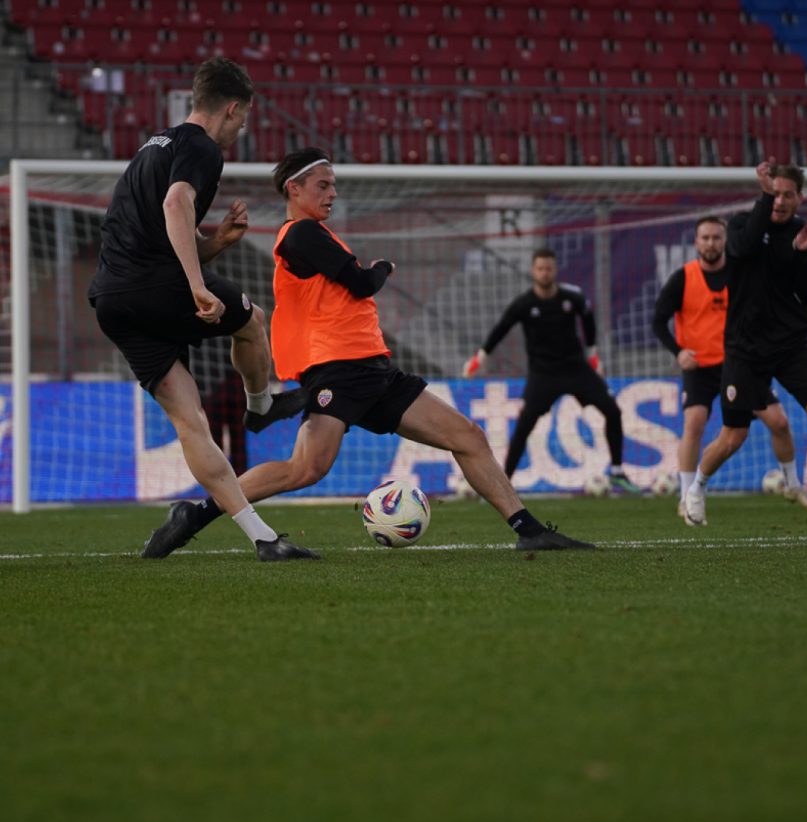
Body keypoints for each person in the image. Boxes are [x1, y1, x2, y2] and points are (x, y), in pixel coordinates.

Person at [139, 146, 595, 557]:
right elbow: (359, 282)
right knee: (305, 470)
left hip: (373, 370)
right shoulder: (300, 235)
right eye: (323, 184)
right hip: (339, 371)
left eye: (334, 184)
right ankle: (196, 514)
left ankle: (528, 529)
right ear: (293, 189)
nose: (332, 192)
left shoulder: (314, 234)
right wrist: (380, 268)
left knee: (468, 437)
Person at [88, 57, 311, 562]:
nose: (243, 128)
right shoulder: (202, 147)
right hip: (158, 288)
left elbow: (162, 231)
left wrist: (214, 245)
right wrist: (196, 284)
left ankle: (262, 538)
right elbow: (175, 204)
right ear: (231, 109)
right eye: (244, 118)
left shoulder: (153, 145)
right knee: (253, 321)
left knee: (192, 422)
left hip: (112, 300)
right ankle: (263, 405)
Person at [653, 215, 807, 522]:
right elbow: (657, 321)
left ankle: (794, 485)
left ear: (725, 241)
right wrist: (678, 352)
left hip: (741, 361)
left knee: (779, 423)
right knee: (698, 425)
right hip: (701, 366)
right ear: (696, 242)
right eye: (705, 238)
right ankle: (687, 494)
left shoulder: (740, 271)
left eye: (717, 237)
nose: (711, 243)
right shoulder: (684, 277)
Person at [463, 248, 641, 494]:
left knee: (613, 410)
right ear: (533, 271)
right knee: (524, 425)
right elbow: (501, 329)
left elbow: (588, 319)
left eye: (548, 268)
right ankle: (503, 484)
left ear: (555, 270)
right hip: (543, 374)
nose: (544, 273)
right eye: (540, 269)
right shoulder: (524, 304)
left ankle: (618, 472)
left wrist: (592, 355)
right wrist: (479, 358)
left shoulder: (572, 297)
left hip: (577, 368)